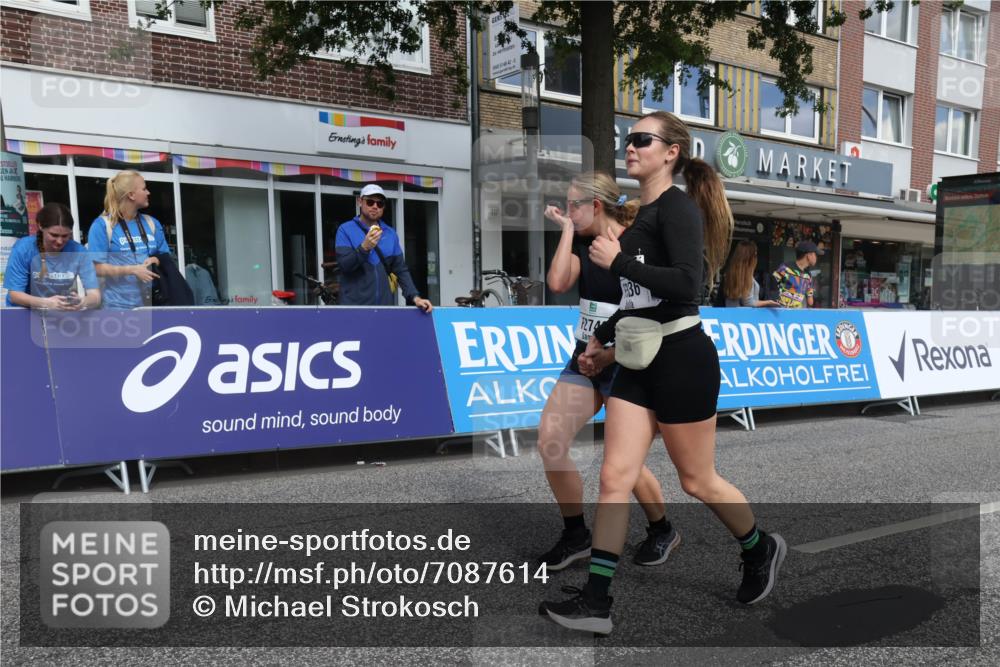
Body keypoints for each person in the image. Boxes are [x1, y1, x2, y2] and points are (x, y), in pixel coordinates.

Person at [541, 111, 785, 635]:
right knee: (613, 477)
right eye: (627, 139)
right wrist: (602, 344)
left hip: (682, 361)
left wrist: (618, 262)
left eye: (641, 140)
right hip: (635, 363)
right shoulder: (639, 216)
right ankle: (597, 602)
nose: (629, 147)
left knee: (697, 480)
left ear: (671, 152)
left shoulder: (677, 208)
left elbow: (686, 287)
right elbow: (641, 303)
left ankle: (759, 546)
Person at [537, 171, 678, 572]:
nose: (567, 211)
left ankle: (662, 527)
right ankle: (576, 534)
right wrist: (566, 230)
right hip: (584, 356)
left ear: (595, 206)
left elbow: (652, 311)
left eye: (572, 207)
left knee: (621, 462)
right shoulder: (582, 242)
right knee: (551, 438)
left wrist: (608, 352)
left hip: (625, 357)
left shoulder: (634, 244)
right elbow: (558, 280)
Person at [334, 184, 432, 312]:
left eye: (380, 204)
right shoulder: (345, 230)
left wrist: (415, 297)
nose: (375, 206)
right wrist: (364, 248)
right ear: (360, 202)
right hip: (354, 308)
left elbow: (401, 269)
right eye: (370, 202)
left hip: (384, 307)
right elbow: (345, 266)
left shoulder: (390, 233)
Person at [86, 170, 171, 310]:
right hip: (117, 308)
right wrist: (132, 270)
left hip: (153, 304)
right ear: (131, 195)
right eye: (144, 189)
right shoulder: (102, 225)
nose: (148, 192)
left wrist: (156, 260)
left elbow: (165, 256)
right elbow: (96, 268)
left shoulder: (152, 223)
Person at [4, 203, 100, 310]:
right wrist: (47, 303)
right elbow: (15, 295)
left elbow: (95, 296)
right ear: (40, 226)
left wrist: (82, 302)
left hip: (57, 313)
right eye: (54, 235)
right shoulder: (23, 249)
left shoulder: (78, 252)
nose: (59, 241)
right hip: (24, 311)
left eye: (65, 236)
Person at [722, 241, 780, 307]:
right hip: (746, 315)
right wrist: (769, 302)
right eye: (755, 255)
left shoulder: (729, 275)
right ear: (750, 258)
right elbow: (749, 303)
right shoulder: (746, 277)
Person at [772, 240, 823, 308]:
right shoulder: (785, 269)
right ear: (808, 255)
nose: (816, 258)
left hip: (797, 315)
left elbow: (810, 302)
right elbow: (773, 293)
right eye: (815, 254)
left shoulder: (785, 268)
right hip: (782, 314)